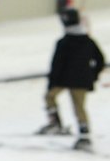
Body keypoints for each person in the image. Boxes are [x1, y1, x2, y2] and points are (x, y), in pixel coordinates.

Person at [42, 9, 105, 150]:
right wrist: (92, 75)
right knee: (78, 106)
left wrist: (52, 81)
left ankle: (69, 129)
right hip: (80, 80)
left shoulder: (64, 42)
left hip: (64, 79)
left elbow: (56, 64)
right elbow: (100, 60)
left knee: (52, 97)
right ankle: (80, 131)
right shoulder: (88, 41)